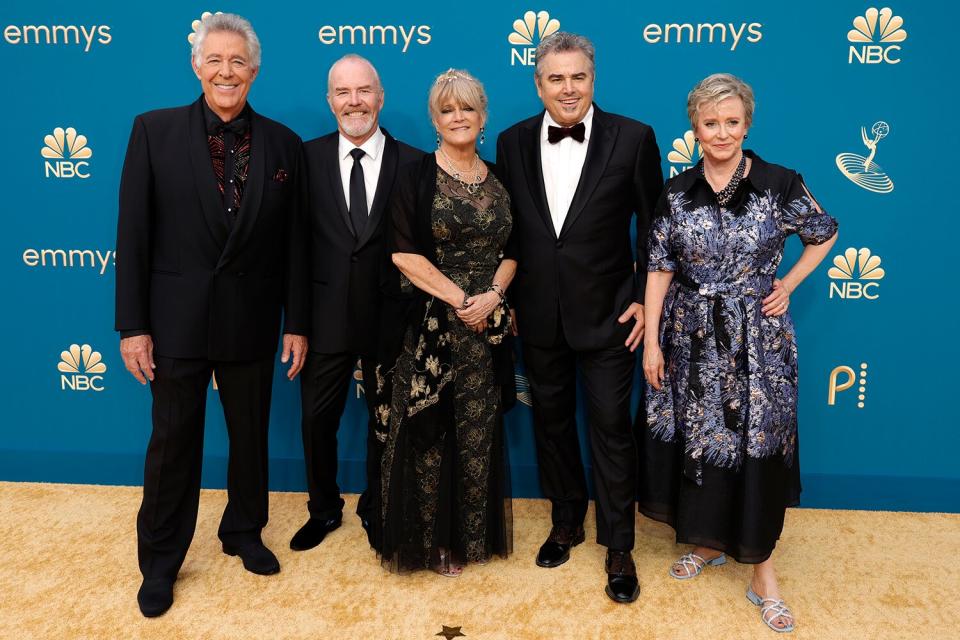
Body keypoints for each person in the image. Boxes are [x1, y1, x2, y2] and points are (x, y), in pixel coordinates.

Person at [115, 13, 309, 618]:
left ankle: (244, 531)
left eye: (238, 62)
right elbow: (134, 234)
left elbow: (296, 245)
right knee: (173, 445)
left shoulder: (283, 144)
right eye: (215, 61)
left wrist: (296, 321)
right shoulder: (153, 130)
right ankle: (161, 560)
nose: (227, 72)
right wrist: (132, 326)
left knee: (250, 436)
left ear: (254, 70)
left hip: (250, 320)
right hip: (174, 321)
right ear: (196, 66)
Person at [640, 73, 838, 633]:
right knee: (702, 442)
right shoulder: (676, 193)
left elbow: (823, 232)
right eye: (710, 123)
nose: (721, 132)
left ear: (747, 124)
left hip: (757, 341)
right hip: (692, 337)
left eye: (732, 121)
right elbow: (659, 268)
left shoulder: (779, 182)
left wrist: (789, 283)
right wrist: (652, 340)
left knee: (754, 445)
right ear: (695, 128)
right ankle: (706, 543)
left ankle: (763, 574)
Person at [495, 32, 663, 603]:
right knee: (551, 425)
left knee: (612, 431)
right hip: (537, 316)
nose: (568, 88)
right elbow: (509, 232)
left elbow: (655, 227)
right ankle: (565, 520)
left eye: (578, 77)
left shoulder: (634, 138)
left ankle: (619, 545)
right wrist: (509, 297)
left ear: (594, 79)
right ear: (538, 83)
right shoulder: (511, 141)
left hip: (613, 316)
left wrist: (643, 295)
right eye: (556, 78)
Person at [375, 69, 516, 576]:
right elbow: (403, 255)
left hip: (487, 328)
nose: (459, 117)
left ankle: (469, 537)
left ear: (483, 117)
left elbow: (513, 251)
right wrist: (464, 300)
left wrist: (493, 296)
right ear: (435, 119)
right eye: (448, 109)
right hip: (432, 323)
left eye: (468, 108)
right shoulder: (414, 175)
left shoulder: (500, 177)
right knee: (430, 433)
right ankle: (430, 543)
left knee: (476, 431)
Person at [291, 54, 422, 553]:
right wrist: (297, 324)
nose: (354, 101)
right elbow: (296, 250)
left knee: (386, 421)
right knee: (315, 421)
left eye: (363, 91)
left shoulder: (414, 162)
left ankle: (377, 507)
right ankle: (323, 510)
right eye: (343, 93)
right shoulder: (305, 159)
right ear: (330, 101)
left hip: (393, 317)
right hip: (324, 319)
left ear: (380, 96)